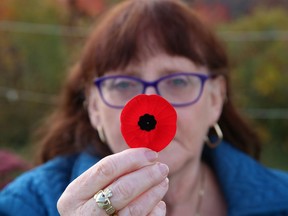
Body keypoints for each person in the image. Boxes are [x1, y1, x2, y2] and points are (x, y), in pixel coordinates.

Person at [1, 0, 288, 215]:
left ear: (215, 99)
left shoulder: (281, 199)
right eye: (124, 84)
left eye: (177, 80)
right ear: (94, 108)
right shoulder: (25, 204)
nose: (152, 103)